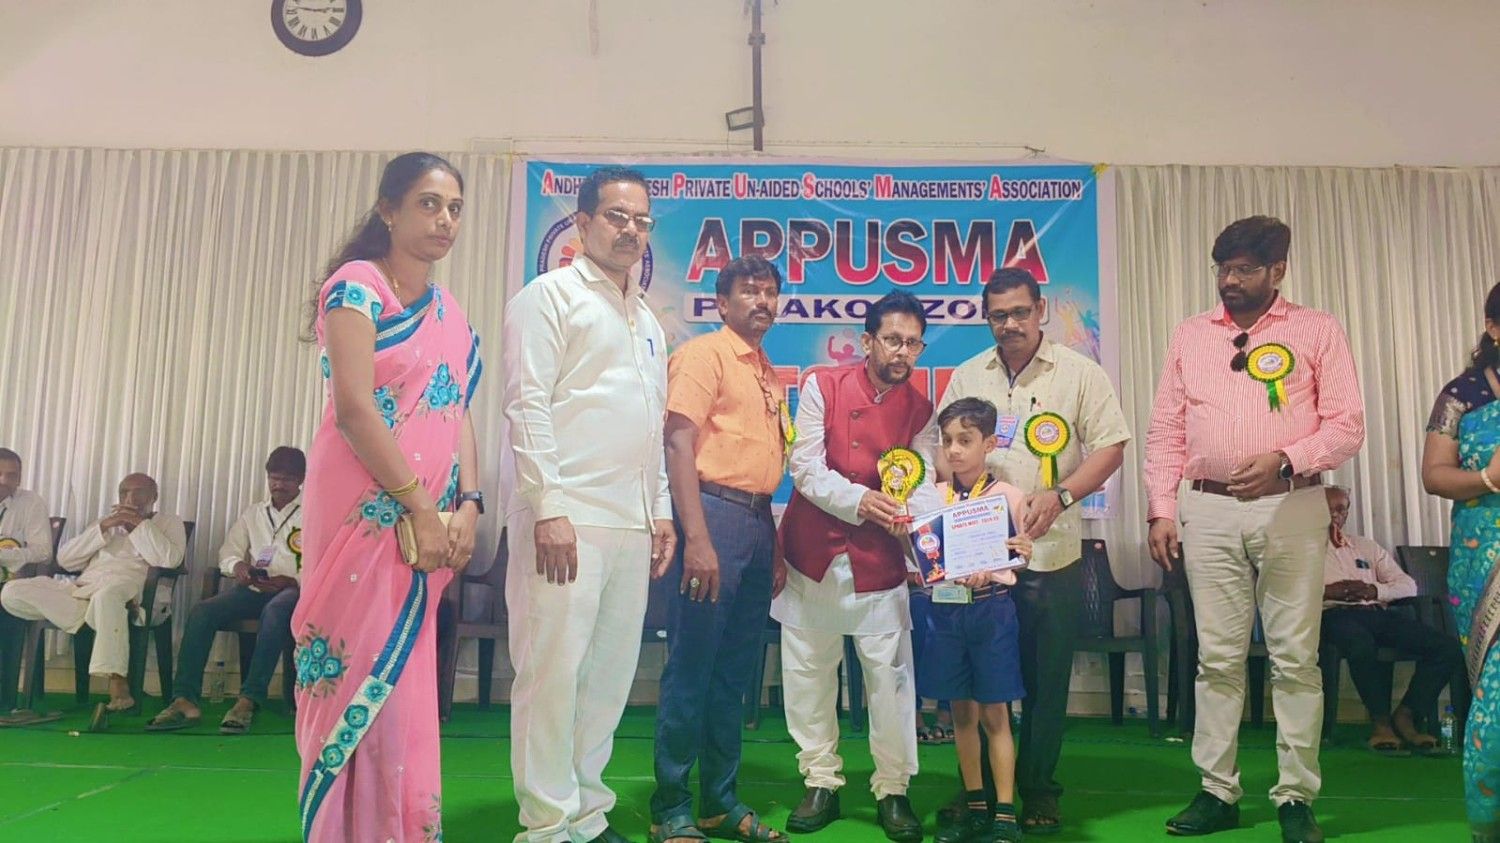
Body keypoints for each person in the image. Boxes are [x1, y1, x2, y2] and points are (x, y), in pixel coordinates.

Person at [1145, 216, 1365, 843]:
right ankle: (1218, 790)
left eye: (1244, 269)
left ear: (1278, 271)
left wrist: (1285, 460)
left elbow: (1347, 425)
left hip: (1292, 505)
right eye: (1224, 269)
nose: (1230, 280)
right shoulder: (1190, 335)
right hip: (1207, 508)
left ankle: (1295, 796)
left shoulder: (1317, 329)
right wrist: (1162, 508)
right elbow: (1166, 430)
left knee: (1295, 658)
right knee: (1216, 659)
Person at [292, 152, 484, 842]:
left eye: (454, 208)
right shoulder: (356, 287)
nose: (444, 220)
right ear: (388, 210)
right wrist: (421, 507)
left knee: (403, 691)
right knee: (350, 670)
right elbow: (353, 408)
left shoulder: (449, 311)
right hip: (362, 512)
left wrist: (470, 504)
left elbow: (457, 408)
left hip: (429, 522)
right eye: (429, 204)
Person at [503, 166, 677, 843]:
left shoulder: (648, 319)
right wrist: (548, 507)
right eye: (616, 216)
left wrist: (660, 508)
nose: (631, 230)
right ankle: (546, 824)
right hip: (565, 517)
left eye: (642, 220)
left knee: (607, 680)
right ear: (581, 223)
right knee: (552, 675)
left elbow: (651, 422)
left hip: (630, 523)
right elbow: (527, 404)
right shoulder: (547, 297)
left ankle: (586, 815)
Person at [935, 266, 1129, 835]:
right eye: (998, 315)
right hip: (979, 565)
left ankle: (1039, 789)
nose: (1011, 324)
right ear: (986, 318)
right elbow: (944, 453)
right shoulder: (968, 375)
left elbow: (1111, 446)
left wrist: (1062, 495)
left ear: (1040, 310)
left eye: (1020, 312)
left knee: (1044, 684)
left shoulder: (1079, 373)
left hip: (1050, 556)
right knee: (978, 685)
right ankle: (978, 791)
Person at [774, 290, 934, 843]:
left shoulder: (921, 410)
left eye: (913, 343)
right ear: (868, 341)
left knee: (890, 681)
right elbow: (804, 467)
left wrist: (918, 524)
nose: (902, 351)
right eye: (892, 340)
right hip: (811, 553)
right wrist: (861, 501)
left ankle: (893, 788)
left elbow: (924, 483)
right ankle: (820, 780)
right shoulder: (823, 385)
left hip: (879, 560)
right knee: (808, 674)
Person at [647, 255, 790, 843]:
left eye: (770, 292)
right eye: (749, 291)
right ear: (722, 303)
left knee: (734, 674)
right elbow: (678, 443)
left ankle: (718, 802)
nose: (762, 301)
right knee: (692, 667)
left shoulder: (768, 372)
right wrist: (698, 538)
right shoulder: (704, 356)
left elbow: (764, 463)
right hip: (712, 517)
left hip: (756, 522)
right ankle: (671, 807)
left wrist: (772, 545)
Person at [917, 397, 1033, 843]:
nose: (954, 450)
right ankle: (976, 805)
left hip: (991, 610)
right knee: (961, 714)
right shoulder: (932, 497)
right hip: (946, 611)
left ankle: (1005, 811)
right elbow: (922, 555)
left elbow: (1019, 553)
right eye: (947, 440)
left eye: (965, 440)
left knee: (996, 714)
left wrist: (1019, 554)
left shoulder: (1008, 497)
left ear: (989, 443)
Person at [0, 472, 184, 725]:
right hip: (84, 590)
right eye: (124, 492)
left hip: (132, 589)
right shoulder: (105, 523)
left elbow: (170, 560)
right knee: (13, 591)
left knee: (108, 596)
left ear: (154, 496)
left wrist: (138, 526)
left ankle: (118, 685)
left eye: (139, 492)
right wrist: (103, 528)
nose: (130, 499)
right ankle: (97, 613)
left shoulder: (168, 522)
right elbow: (66, 560)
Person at [148, 446, 307, 735]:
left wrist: (293, 579)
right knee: (203, 611)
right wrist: (239, 568)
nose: (278, 485)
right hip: (255, 588)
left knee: (275, 611)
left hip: (293, 591)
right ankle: (184, 699)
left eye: (286, 479)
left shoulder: (313, 512)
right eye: (273, 478)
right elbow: (229, 552)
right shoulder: (254, 513)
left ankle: (249, 700)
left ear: (301, 480)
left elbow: (323, 560)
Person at [1421, 280, 1500, 841]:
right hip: (1484, 563)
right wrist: (1489, 479)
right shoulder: (1462, 395)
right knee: (1496, 693)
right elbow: (1435, 475)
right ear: (1493, 328)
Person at [1319, 485, 1460, 755]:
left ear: (1347, 513)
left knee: (1446, 648)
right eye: (1328, 509)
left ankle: (1406, 714)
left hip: (1375, 612)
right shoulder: (1303, 549)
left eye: (1340, 509)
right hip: (1333, 615)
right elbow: (1287, 590)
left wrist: (1374, 591)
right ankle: (1381, 724)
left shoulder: (1365, 546)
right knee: (1359, 643)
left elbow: (1408, 585)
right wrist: (1327, 591)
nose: (1335, 515)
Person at [0, 448, 54, 719]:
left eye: (11, 475)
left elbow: (43, 552)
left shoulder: (31, 503)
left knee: (9, 600)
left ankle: (3, 701)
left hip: (11, 583)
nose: (4, 481)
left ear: (19, 478)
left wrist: (5, 557)